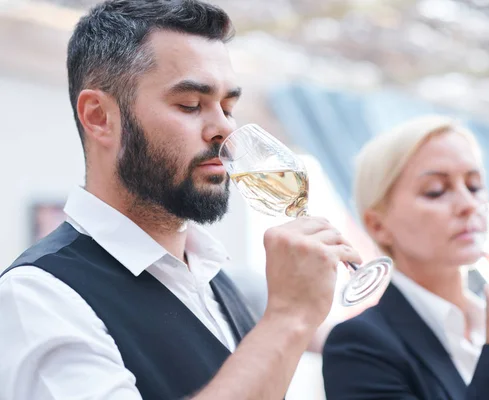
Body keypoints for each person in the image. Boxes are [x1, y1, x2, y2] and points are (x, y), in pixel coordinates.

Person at [0, 1, 362, 399]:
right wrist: (288, 318)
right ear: (99, 117)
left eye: (228, 107)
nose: (225, 128)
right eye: (190, 104)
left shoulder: (215, 279)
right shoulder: (37, 299)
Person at [322, 115, 489, 399]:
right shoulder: (359, 347)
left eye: (474, 186)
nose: (468, 204)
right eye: (436, 191)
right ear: (379, 226)